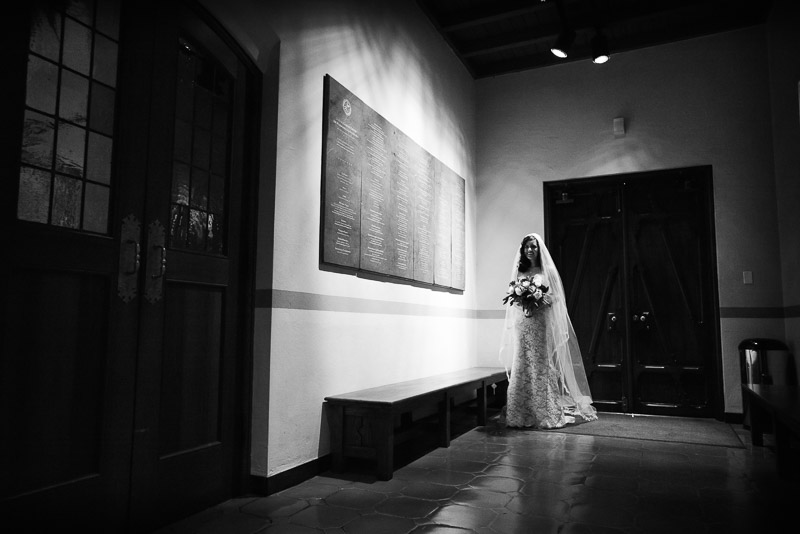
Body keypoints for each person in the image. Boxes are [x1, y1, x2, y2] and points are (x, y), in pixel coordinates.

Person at [498, 233, 598, 428]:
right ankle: (520, 413)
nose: (529, 250)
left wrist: (541, 299)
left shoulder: (548, 270)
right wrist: (522, 300)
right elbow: (514, 301)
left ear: (539, 249)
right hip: (523, 324)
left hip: (540, 323)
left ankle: (545, 411)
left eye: (533, 247)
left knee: (541, 364)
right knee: (522, 363)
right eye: (526, 247)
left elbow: (557, 298)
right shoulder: (520, 272)